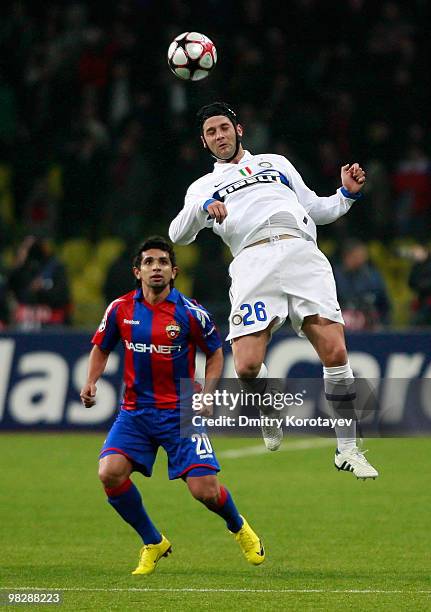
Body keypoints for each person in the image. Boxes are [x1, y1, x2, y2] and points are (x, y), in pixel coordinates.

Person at [169, 102, 379, 480]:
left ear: (239, 129)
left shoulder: (276, 163)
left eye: (224, 128)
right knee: (247, 365)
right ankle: (269, 406)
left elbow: (317, 208)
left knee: (335, 351)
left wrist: (345, 195)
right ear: (204, 142)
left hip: (301, 252)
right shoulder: (203, 187)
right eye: (211, 133)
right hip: (253, 262)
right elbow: (177, 235)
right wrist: (202, 208)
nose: (219, 136)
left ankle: (347, 448)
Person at [80, 236, 264, 575]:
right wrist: (92, 381)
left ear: (173, 271)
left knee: (205, 492)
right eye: (149, 262)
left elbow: (215, 352)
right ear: (137, 271)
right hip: (135, 412)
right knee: (109, 473)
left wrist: (207, 393)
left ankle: (239, 527)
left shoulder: (190, 313)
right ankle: (153, 542)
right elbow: (101, 346)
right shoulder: (120, 309)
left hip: (181, 412)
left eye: (162, 262)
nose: (156, 268)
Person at [333, 239, 391, 330]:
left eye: (363, 256)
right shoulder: (333, 276)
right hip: (340, 323)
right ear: (347, 256)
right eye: (358, 256)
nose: (362, 259)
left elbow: (384, 304)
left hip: (369, 324)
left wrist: (383, 323)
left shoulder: (372, 277)